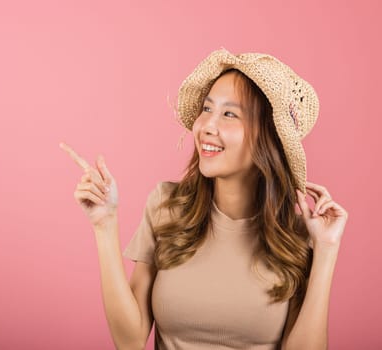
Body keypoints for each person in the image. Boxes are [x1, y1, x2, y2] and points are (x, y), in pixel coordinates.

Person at [60, 48, 348, 350]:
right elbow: (129, 340)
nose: (207, 126)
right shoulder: (166, 206)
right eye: (207, 109)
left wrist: (326, 251)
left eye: (229, 114)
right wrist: (104, 224)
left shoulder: (298, 235)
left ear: (268, 139)